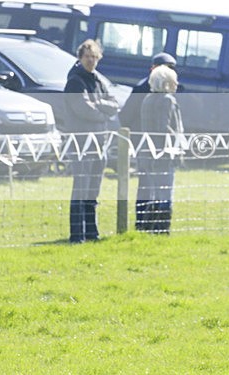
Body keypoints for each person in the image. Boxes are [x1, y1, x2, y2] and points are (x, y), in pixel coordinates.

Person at [63, 39, 119, 243]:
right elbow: (83, 109)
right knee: (81, 188)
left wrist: (99, 104)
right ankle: (77, 234)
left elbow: (114, 104)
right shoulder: (75, 81)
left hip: (99, 142)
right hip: (81, 143)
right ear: (80, 57)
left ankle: (92, 232)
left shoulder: (98, 80)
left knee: (93, 190)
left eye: (95, 57)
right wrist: (103, 113)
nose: (91, 61)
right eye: (88, 57)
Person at [118, 52, 179, 230]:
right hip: (148, 145)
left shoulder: (157, 93)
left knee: (152, 188)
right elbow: (126, 116)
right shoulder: (143, 89)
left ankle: (149, 225)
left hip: (148, 146)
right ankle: (149, 225)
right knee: (149, 189)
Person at [139, 65, 183, 234]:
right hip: (164, 154)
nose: (176, 83)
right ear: (166, 82)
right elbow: (164, 128)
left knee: (154, 193)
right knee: (165, 194)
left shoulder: (147, 99)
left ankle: (147, 228)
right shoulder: (168, 100)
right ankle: (162, 230)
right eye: (174, 80)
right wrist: (179, 142)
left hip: (147, 153)